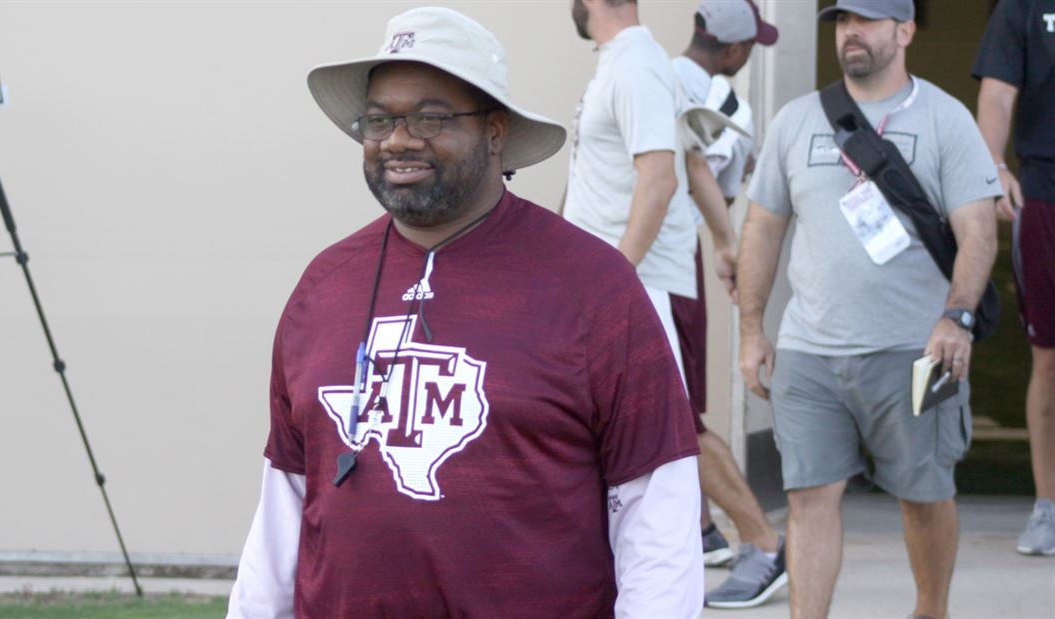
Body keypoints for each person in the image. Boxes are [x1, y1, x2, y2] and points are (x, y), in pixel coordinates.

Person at [226, 7, 703, 618]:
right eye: (379, 119)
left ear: (496, 131)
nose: (398, 139)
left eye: (431, 117)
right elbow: (285, 499)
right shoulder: (323, 285)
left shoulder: (593, 286)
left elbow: (655, 506)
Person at [737, 0, 999, 617]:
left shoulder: (945, 119)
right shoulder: (799, 121)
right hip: (809, 351)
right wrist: (752, 330)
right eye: (841, 21)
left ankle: (930, 609)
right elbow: (762, 228)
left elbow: (979, 231)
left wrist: (956, 317)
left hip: (916, 351)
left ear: (904, 32)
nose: (850, 32)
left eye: (867, 20)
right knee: (808, 497)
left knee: (924, 495)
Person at [671, 0, 788, 609]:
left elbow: (694, 176)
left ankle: (760, 542)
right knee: (673, 414)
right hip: (669, 265)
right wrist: (723, 244)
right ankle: (708, 530)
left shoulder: (649, 76)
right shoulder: (732, 108)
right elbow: (720, 185)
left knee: (675, 418)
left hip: (654, 265)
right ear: (737, 51)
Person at [562, 0, 698, 386]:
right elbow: (695, 164)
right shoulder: (626, 59)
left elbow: (660, 180)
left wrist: (614, 282)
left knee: (659, 440)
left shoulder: (636, 64)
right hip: (620, 285)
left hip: (638, 288)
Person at [972, 0, 1055, 557]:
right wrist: (995, 166)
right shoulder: (1024, 6)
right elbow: (998, 92)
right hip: (1046, 190)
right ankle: (1048, 507)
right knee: (1049, 359)